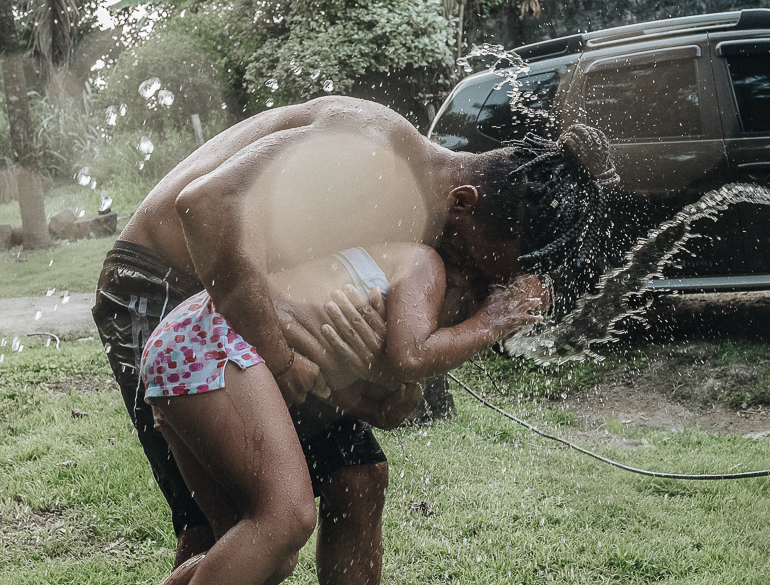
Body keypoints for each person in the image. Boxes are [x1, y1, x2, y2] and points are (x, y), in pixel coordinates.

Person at [91, 97, 614, 583]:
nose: (480, 283)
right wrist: (278, 354)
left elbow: (385, 364)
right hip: (163, 278)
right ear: (463, 201)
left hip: (242, 309)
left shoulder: (427, 230)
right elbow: (204, 206)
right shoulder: (370, 151)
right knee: (227, 524)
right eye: (483, 264)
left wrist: (386, 386)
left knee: (358, 478)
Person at [143, 239, 546, 585]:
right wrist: (494, 321)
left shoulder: (391, 313)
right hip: (210, 337)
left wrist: (389, 404)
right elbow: (412, 355)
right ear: (473, 287)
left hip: (186, 341)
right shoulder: (425, 264)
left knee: (263, 557)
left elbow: (352, 397)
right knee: (284, 522)